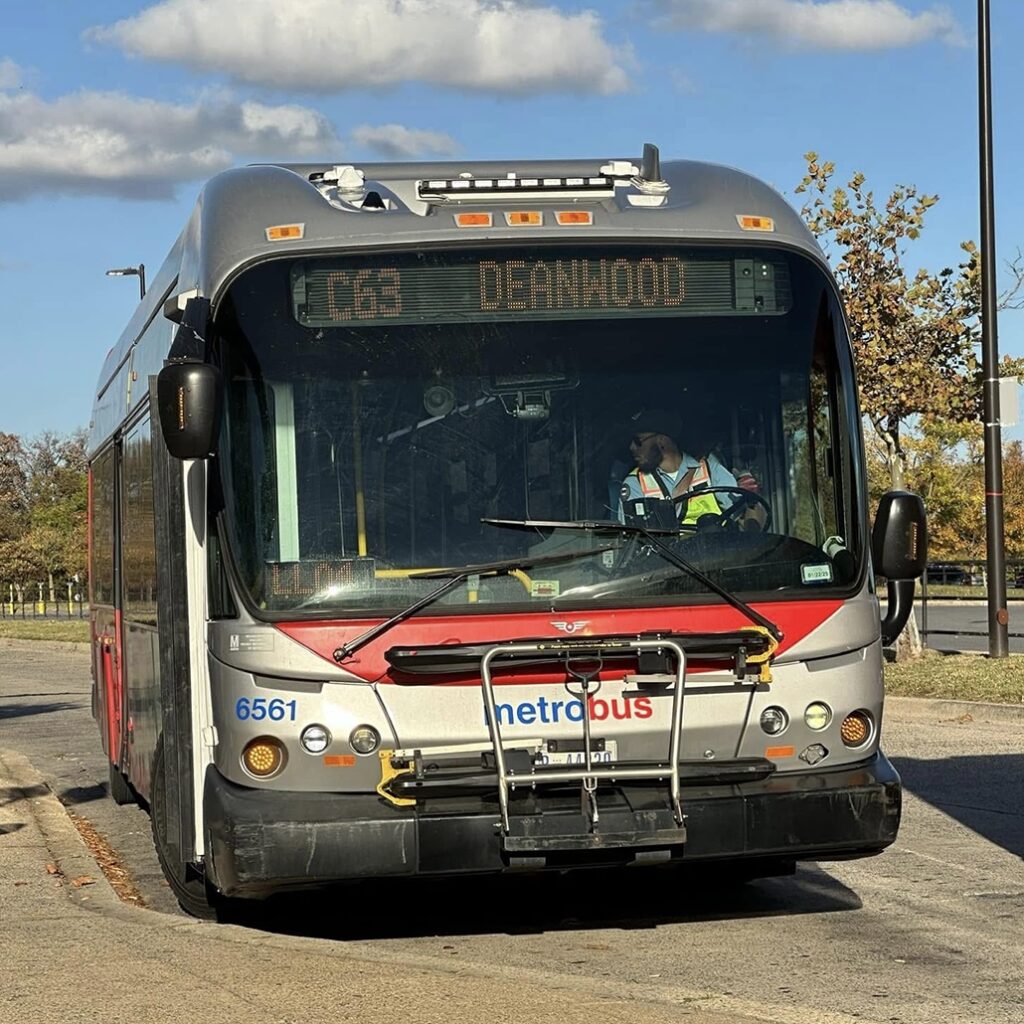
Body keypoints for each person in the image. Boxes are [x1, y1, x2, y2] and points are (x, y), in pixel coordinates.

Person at [619, 408, 764, 530]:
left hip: (721, 557)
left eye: (638, 441)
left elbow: (747, 525)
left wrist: (751, 501)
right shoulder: (636, 484)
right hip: (670, 563)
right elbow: (635, 543)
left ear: (662, 442)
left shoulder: (709, 468)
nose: (631, 447)